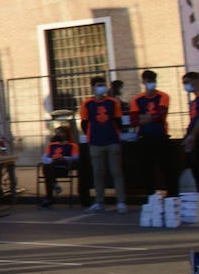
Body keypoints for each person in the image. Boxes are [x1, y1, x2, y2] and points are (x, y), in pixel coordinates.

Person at [80, 76, 126, 213]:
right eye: (99, 85)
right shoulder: (87, 104)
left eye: (103, 85)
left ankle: (121, 202)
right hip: (95, 142)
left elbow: (118, 121)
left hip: (112, 141)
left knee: (116, 172)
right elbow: (84, 123)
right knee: (98, 173)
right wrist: (91, 135)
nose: (102, 88)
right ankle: (99, 201)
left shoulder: (113, 102)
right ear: (93, 87)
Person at [131, 69, 178, 197]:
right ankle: (150, 195)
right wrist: (151, 117)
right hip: (145, 137)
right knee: (147, 168)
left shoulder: (163, 96)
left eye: (152, 81)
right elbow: (134, 120)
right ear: (143, 82)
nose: (151, 84)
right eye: (148, 81)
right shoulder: (137, 99)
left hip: (161, 135)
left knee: (168, 167)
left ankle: (172, 194)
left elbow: (161, 115)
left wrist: (145, 118)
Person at [38, 127, 79, 208]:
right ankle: (54, 185)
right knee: (47, 167)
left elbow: (76, 157)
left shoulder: (72, 145)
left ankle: (50, 196)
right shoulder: (51, 145)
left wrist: (64, 158)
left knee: (48, 173)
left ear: (65, 134)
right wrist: (52, 159)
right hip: (52, 166)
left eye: (59, 133)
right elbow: (44, 158)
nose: (57, 135)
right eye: (56, 133)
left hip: (62, 168)